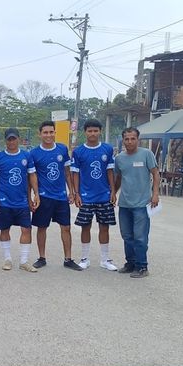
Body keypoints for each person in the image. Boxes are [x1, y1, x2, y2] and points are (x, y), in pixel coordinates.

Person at [30, 121, 82, 271]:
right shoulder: (34, 153)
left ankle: (68, 259)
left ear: (55, 133)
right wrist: (35, 194)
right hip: (44, 197)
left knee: (66, 227)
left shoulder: (62, 149)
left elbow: (67, 172)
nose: (48, 135)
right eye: (45, 132)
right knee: (42, 227)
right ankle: (41, 258)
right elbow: (32, 176)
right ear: (40, 134)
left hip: (61, 197)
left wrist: (71, 191)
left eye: (51, 132)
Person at [71, 119, 117, 271]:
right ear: (85, 132)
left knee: (104, 227)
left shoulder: (107, 149)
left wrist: (113, 191)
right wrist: (77, 193)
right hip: (86, 196)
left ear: (100, 132)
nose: (93, 133)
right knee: (85, 227)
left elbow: (110, 171)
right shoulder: (78, 151)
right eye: (90, 131)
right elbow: (75, 174)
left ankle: (105, 259)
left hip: (104, 196)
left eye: (95, 131)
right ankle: (85, 258)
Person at [114, 127, 160, 278]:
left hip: (141, 204)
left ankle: (142, 266)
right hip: (124, 204)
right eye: (126, 139)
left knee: (140, 237)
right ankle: (131, 263)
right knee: (127, 236)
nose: (129, 141)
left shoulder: (146, 154)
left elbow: (155, 173)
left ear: (137, 139)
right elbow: (118, 178)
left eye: (133, 138)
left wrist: (155, 194)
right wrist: (113, 193)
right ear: (123, 140)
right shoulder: (119, 158)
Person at [0, 128, 39, 273]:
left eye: (14, 139)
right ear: (5, 140)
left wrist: (36, 194)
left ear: (19, 139)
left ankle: (24, 261)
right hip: (5, 200)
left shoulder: (26, 155)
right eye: (9, 139)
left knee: (26, 229)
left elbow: (32, 175)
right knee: (5, 229)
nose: (11, 142)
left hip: (22, 201)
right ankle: (7, 259)